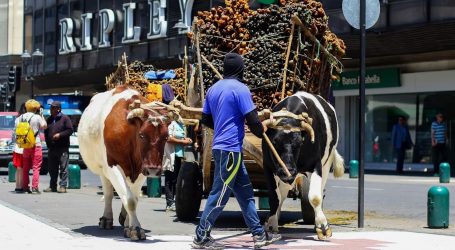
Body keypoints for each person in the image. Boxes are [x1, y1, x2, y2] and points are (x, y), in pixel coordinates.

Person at [192, 53, 279, 249]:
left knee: (246, 193)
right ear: (241, 69)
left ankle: (259, 234)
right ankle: (201, 236)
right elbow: (255, 124)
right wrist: (264, 127)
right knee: (220, 194)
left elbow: (205, 120)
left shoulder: (213, 89)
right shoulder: (241, 90)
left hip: (222, 148)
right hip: (230, 150)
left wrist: (224, 126)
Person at [161, 84, 193, 211]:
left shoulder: (180, 122)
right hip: (171, 153)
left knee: (176, 179)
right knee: (170, 178)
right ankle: (169, 202)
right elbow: (168, 138)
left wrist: (187, 140)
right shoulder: (167, 121)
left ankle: (174, 201)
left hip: (179, 154)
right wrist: (183, 142)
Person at [17, 99, 47, 194]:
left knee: (26, 167)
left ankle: (25, 187)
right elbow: (44, 126)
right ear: (36, 108)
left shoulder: (20, 117)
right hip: (36, 145)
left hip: (25, 145)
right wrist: (42, 115)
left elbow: (16, 129)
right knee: (36, 167)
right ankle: (35, 187)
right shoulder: (37, 117)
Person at [44, 101, 73, 193]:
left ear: (58, 109)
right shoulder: (49, 119)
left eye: (53, 107)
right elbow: (46, 132)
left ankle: (63, 186)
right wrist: (48, 143)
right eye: (51, 107)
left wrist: (60, 135)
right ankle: (52, 186)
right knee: (52, 168)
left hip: (62, 147)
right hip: (52, 147)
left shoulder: (65, 118)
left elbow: (70, 130)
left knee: (63, 168)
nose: (51, 109)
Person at [12, 103, 26, 193]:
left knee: (19, 168)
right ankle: (22, 186)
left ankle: (18, 186)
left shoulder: (17, 119)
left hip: (17, 146)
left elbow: (14, 134)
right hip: (25, 147)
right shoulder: (29, 118)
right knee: (24, 168)